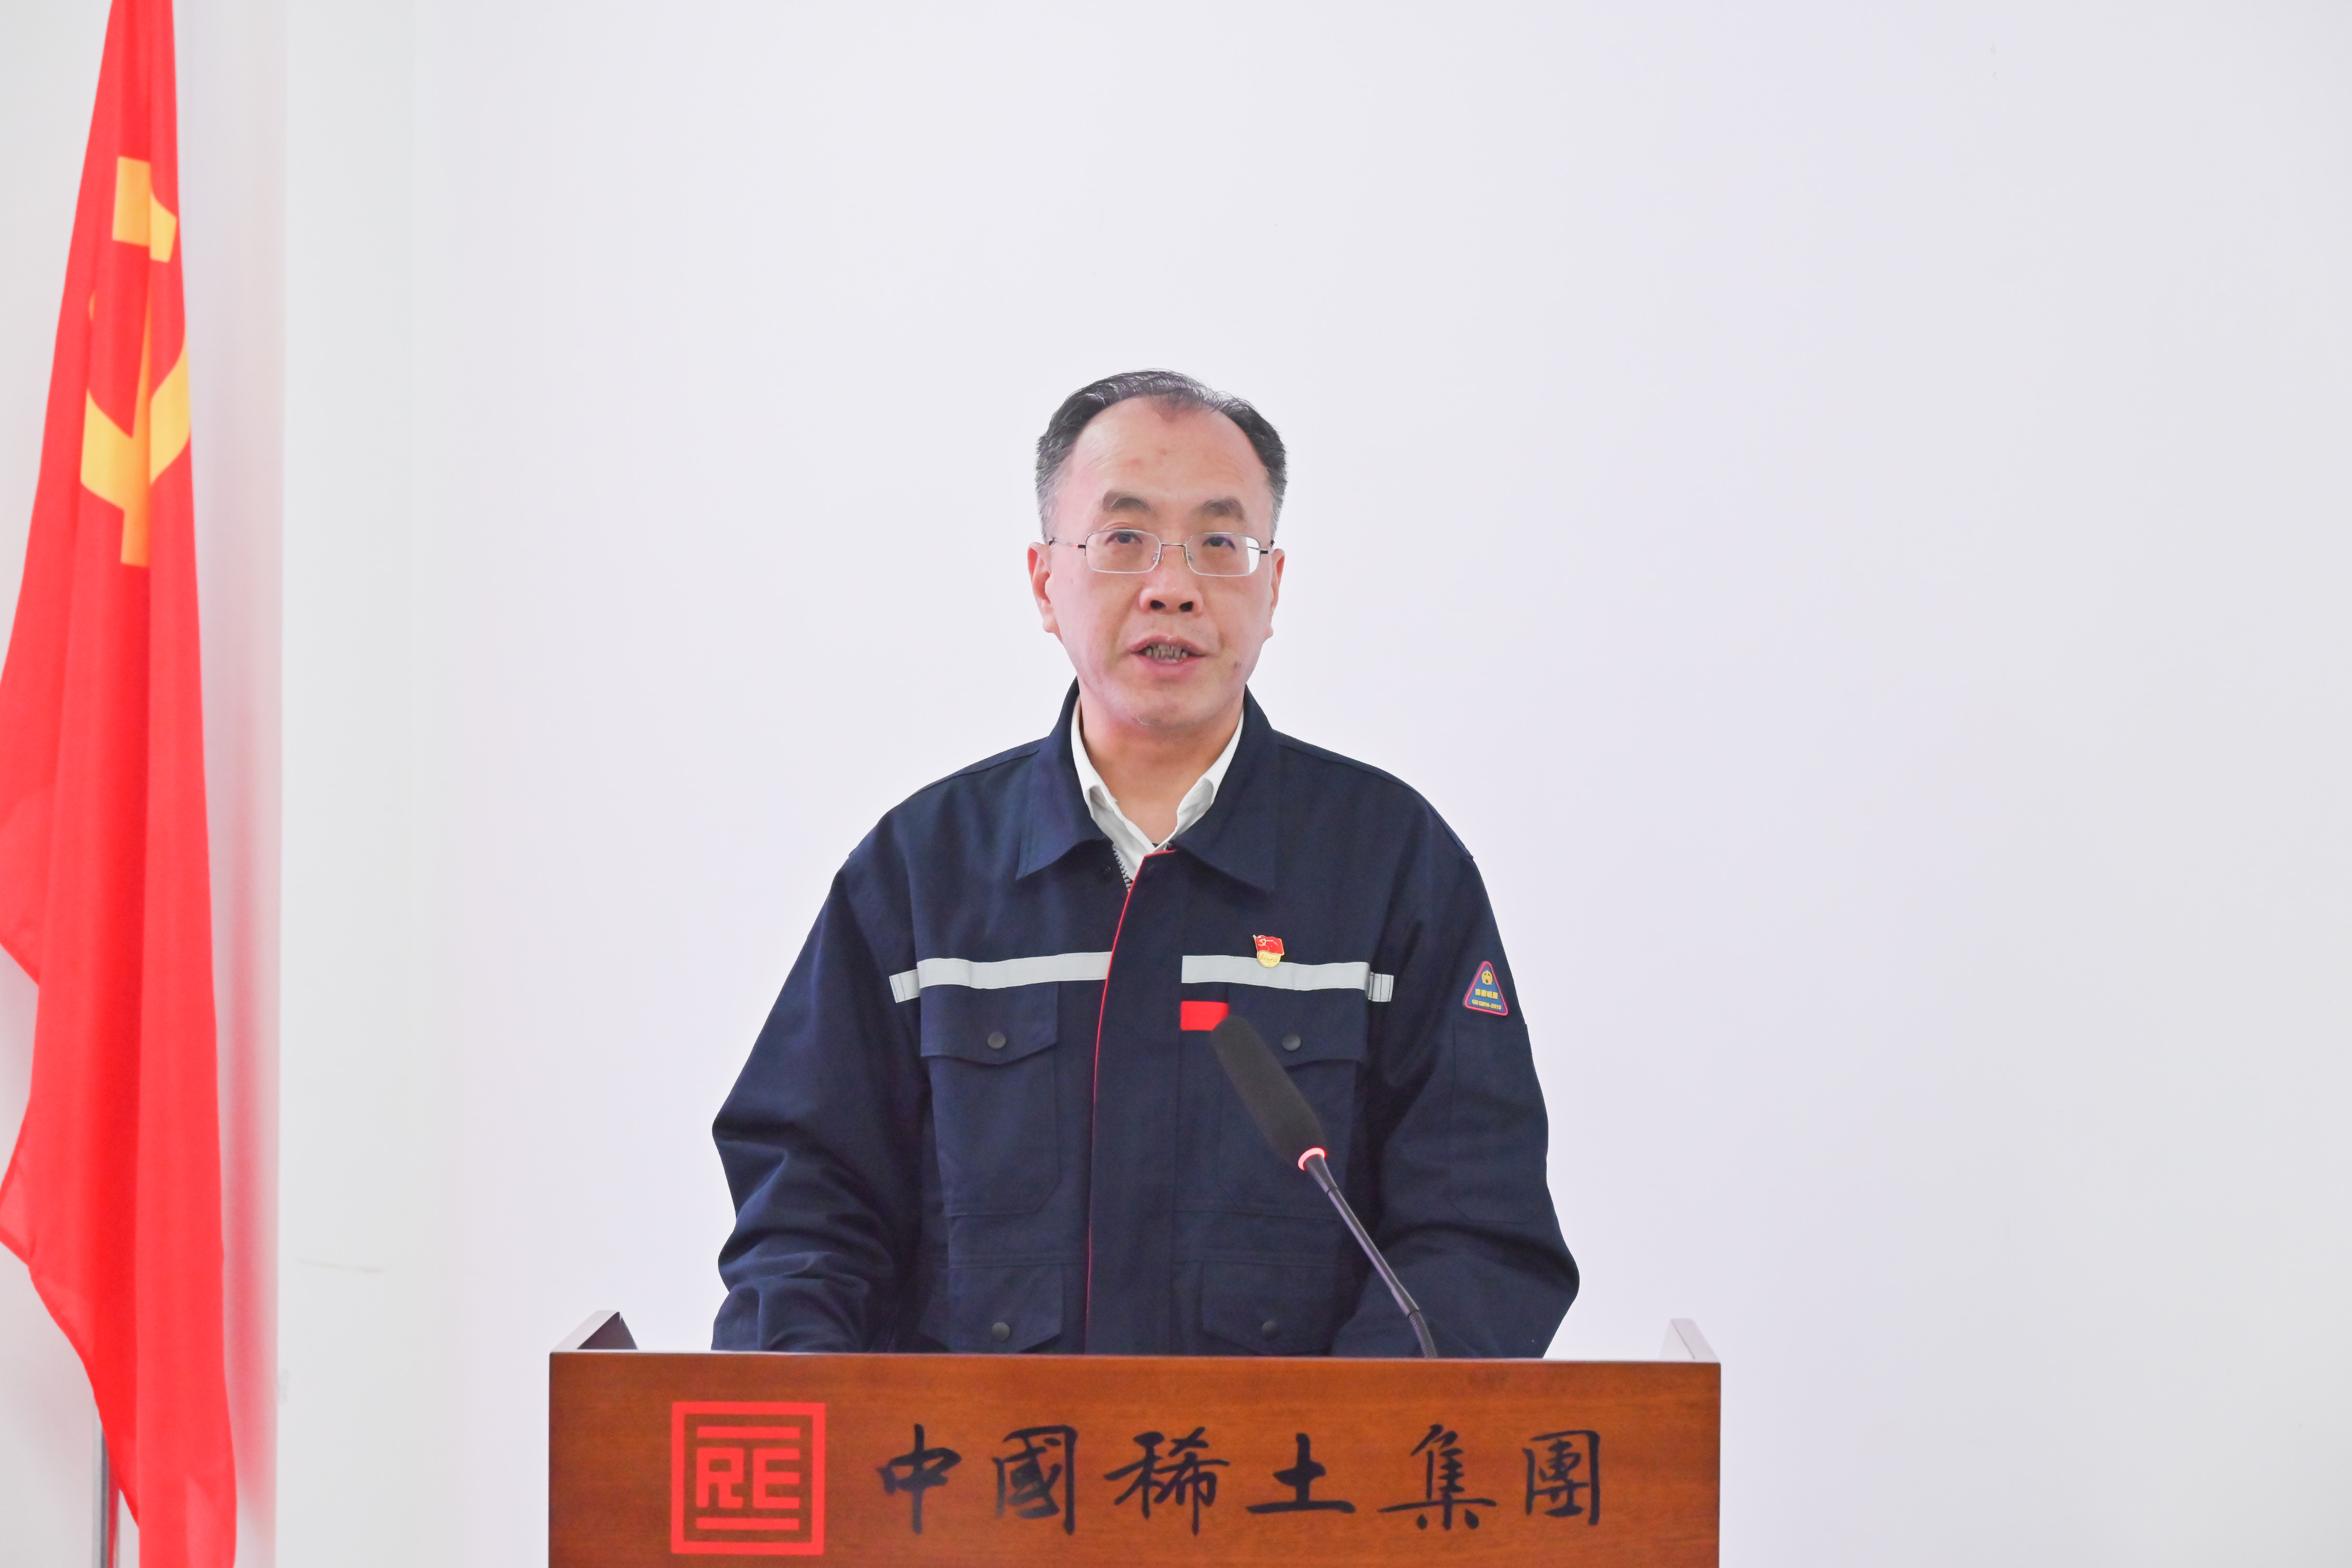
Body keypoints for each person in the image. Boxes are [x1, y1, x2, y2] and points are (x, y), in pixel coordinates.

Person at [712, 371, 1576, 1356]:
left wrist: (1332, 1441)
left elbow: (1476, 1238)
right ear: (1045, 581)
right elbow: (805, 1222)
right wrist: (824, 1418)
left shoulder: (1392, 868)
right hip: (979, 1459)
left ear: (1273, 587)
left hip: (1300, 1459)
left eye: (1220, 543)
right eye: (1124, 540)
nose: (1173, 586)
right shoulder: (920, 874)